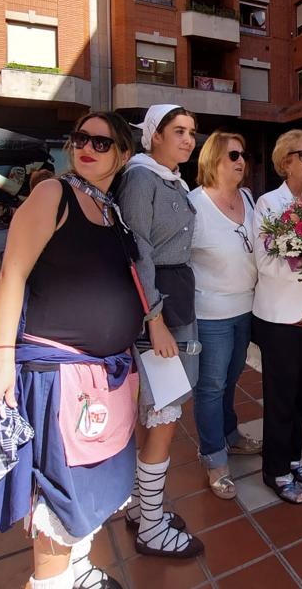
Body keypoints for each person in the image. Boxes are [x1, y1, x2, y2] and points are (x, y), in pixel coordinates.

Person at [0, 111, 147, 589]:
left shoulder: (110, 209)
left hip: (105, 374)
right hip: (59, 372)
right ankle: (50, 582)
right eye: (80, 138)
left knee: (95, 481)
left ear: (124, 155)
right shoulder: (55, 193)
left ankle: (79, 571)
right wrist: (1, 357)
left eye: (101, 142)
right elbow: (12, 273)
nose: (86, 147)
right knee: (61, 488)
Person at [116, 104, 204, 557]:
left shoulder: (168, 178)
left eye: (192, 133)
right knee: (165, 413)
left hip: (174, 298)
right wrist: (155, 318)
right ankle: (151, 525)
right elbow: (138, 251)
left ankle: (141, 509)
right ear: (153, 135)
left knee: (163, 408)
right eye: (179, 132)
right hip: (159, 307)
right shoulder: (140, 178)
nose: (188, 140)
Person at [252, 130, 302, 504]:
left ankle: (294, 457)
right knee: (281, 397)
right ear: (285, 162)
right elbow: (264, 262)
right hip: (281, 315)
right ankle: (276, 470)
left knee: (301, 394)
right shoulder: (268, 204)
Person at [188, 131, 262, 500]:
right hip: (211, 312)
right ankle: (214, 456)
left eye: (243, 154)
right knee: (211, 386)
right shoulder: (194, 204)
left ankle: (229, 434)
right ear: (213, 159)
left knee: (232, 378)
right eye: (232, 154)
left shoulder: (248, 197)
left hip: (245, 307)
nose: (240, 160)